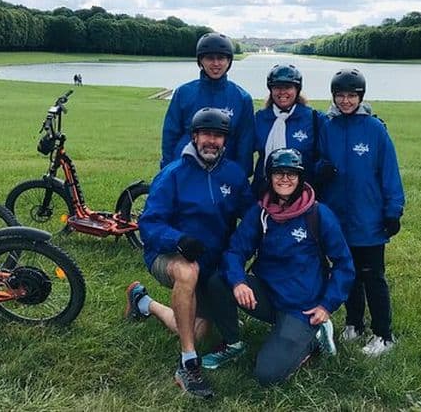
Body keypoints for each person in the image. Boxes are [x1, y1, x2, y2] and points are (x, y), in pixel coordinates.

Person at [125, 107, 254, 399]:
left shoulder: (233, 175)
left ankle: (143, 302)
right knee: (188, 271)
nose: (212, 141)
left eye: (218, 136)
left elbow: (251, 217)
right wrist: (178, 239)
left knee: (197, 331)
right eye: (206, 134)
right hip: (168, 256)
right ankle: (188, 363)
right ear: (194, 136)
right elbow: (148, 224)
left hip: (211, 265)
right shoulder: (172, 174)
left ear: (225, 141)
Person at [205, 148, 354, 385]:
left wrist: (327, 305)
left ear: (300, 177)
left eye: (291, 174)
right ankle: (233, 342)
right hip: (267, 295)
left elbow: (344, 264)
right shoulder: (261, 213)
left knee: (267, 375)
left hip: (301, 307)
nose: (285, 179)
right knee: (218, 281)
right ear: (270, 177)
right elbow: (235, 251)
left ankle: (315, 334)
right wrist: (239, 281)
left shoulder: (318, 214)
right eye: (278, 173)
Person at [316, 68, 405, 357]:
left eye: (351, 96)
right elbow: (315, 161)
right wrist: (320, 170)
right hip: (337, 218)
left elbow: (389, 171)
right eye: (340, 95)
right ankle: (354, 323)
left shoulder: (374, 129)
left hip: (368, 218)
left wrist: (393, 210)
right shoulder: (326, 126)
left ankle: (384, 334)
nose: (345, 101)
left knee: (372, 276)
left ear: (361, 97)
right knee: (347, 272)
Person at [160, 32, 254, 176]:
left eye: (221, 58)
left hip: (224, 172)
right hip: (185, 169)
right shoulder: (183, 93)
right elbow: (170, 135)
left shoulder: (242, 98)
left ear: (229, 61)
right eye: (210, 58)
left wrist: (241, 176)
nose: (216, 64)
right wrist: (168, 169)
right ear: (200, 61)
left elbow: (245, 143)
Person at [251, 64, 323, 196]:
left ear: (297, 89)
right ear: (271, 89)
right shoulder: (259, 118)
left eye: (288, 87)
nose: (282, 92)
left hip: (302, 193)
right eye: (277, 87)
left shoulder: (314, 118)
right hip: (265, 192)